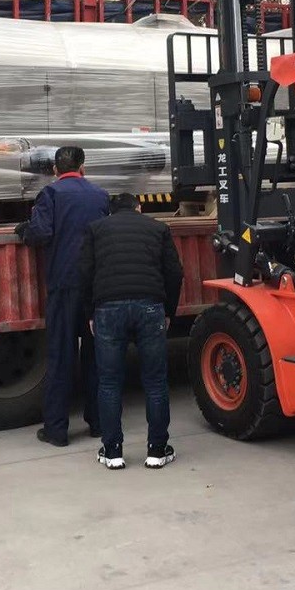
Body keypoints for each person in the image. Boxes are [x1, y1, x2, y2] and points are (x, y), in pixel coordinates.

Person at [78, 193, 183, 471]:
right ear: (139, 207)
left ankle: (112, 451)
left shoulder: (96, 229)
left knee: (109, 383)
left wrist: (91, 313)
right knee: (155, 382)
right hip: (150, 306)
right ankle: (157, 450)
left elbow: (84, 274)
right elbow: (175, 273)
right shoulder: (158, 228)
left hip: (108, 308)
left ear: (110, 212)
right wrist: (168, 311)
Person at [15, 146, 110, 448]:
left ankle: (56, 430)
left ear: (55, 170)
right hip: (94, 287)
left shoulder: (51, 194)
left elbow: (41, 233)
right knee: (96, 357)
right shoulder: (100, 196)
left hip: (64, 285)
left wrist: (24, 230)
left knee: (61, 357)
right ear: (83, 167)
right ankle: (98, 423)